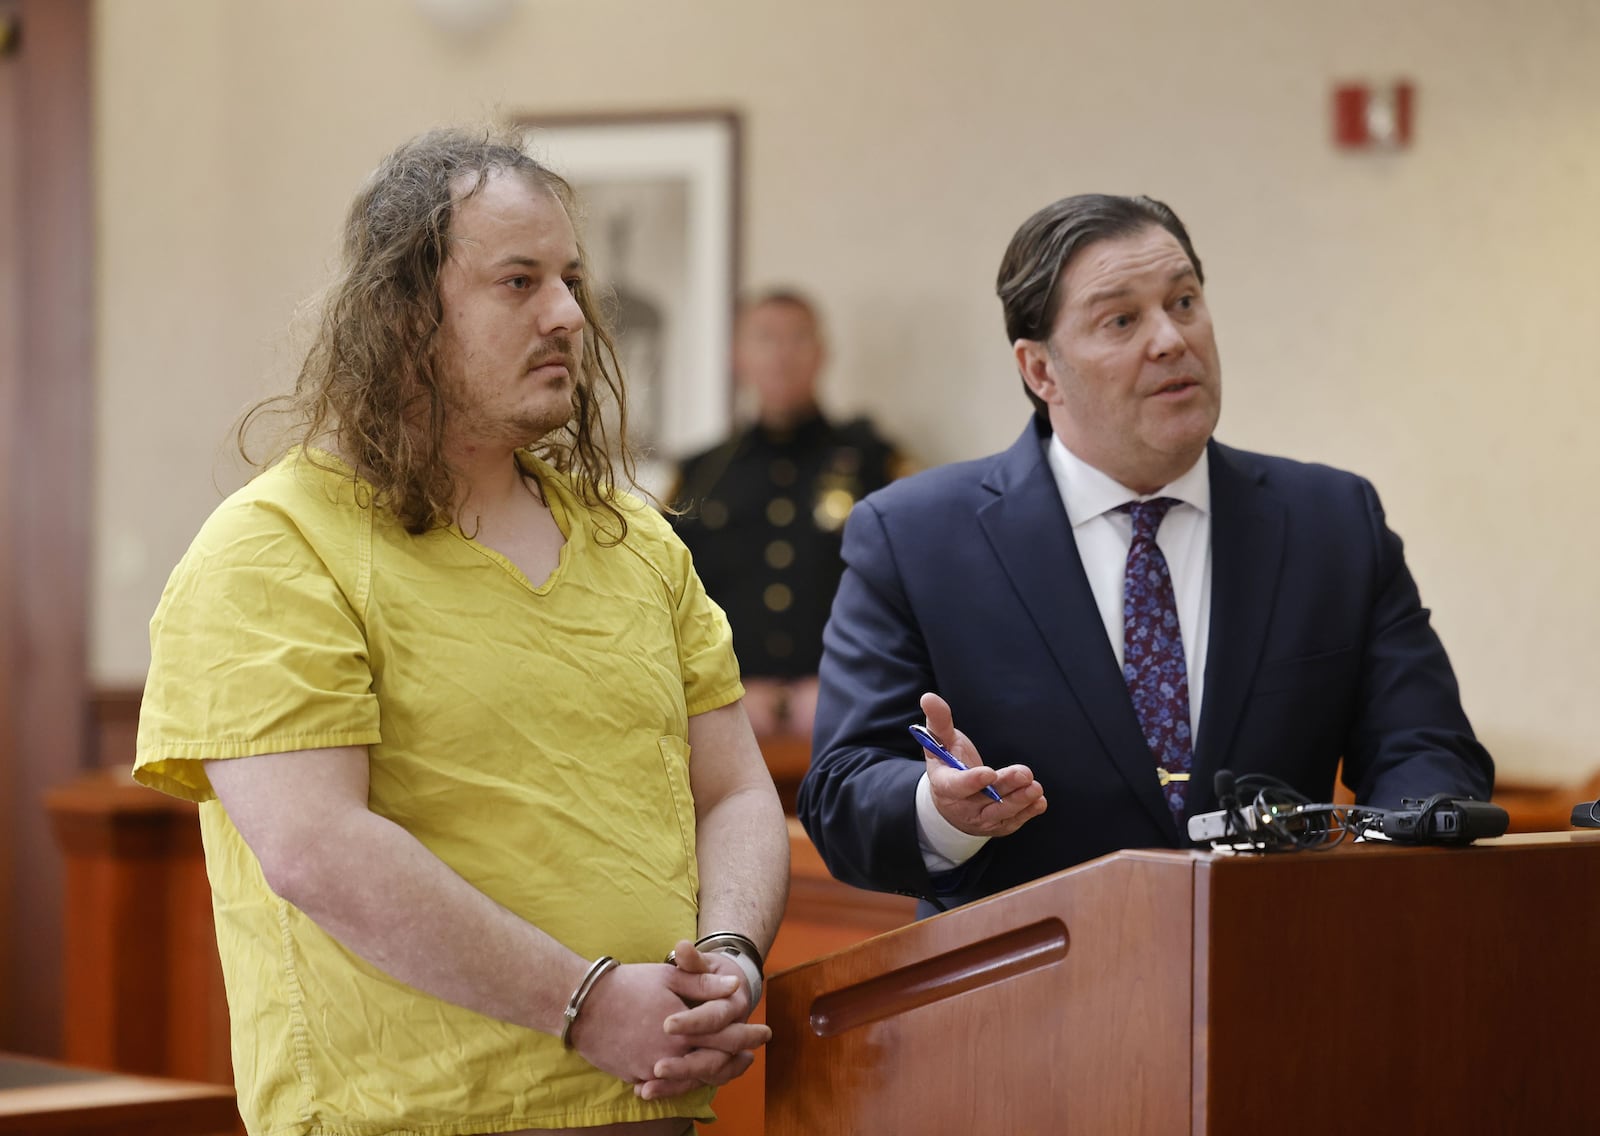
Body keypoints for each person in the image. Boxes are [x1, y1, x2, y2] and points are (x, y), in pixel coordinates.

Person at [133, 127, 789, 1136]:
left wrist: (732, 951)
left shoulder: (638, 541)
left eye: (571, 278)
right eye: (519, 281)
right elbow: (316, 847)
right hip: (405, 1114)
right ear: (401, 318)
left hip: (647, 1107)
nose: (568, 313)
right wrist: (586, 1001)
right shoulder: (272, 547)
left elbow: (735, 786)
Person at [797, 193, 1493, 911]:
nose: (1170, 338)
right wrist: (939, 810)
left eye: (1184, 301)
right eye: (1122, 319)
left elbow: (1427, 749)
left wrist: (1399, 859)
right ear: (1040, 370)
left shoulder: (1331, 523)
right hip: (1023, 994)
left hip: (1285, 976)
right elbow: (843, 789)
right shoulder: (914, 537)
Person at [671, 290, 907, 738]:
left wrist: (852, 682)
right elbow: (671, 599)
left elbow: (905, 589)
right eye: (765, 339)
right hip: (724, 711)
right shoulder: (701, 475)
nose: (782, 355)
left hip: (848, 707)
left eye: (797, 339)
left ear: (821, 354)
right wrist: (718, 687)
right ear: (737, 358)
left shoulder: (876, 464)